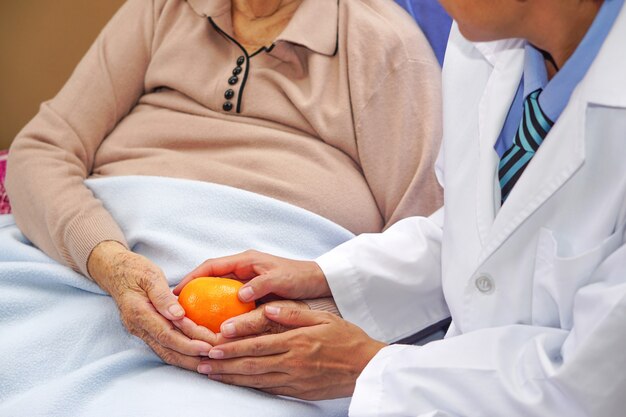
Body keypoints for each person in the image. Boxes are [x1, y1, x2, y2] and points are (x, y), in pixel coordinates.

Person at [176, 0, 626, 414]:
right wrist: (326, 277)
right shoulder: (484, 42)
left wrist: (366, 367)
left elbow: (590, 386)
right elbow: (479, 234)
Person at [5, 0, 443, 373]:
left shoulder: (384, 45)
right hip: (86, 270)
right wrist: (109, 262)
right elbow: (41, 151)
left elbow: (430, 251)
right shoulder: (163, 8)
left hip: (253, 331)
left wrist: (292, 319)